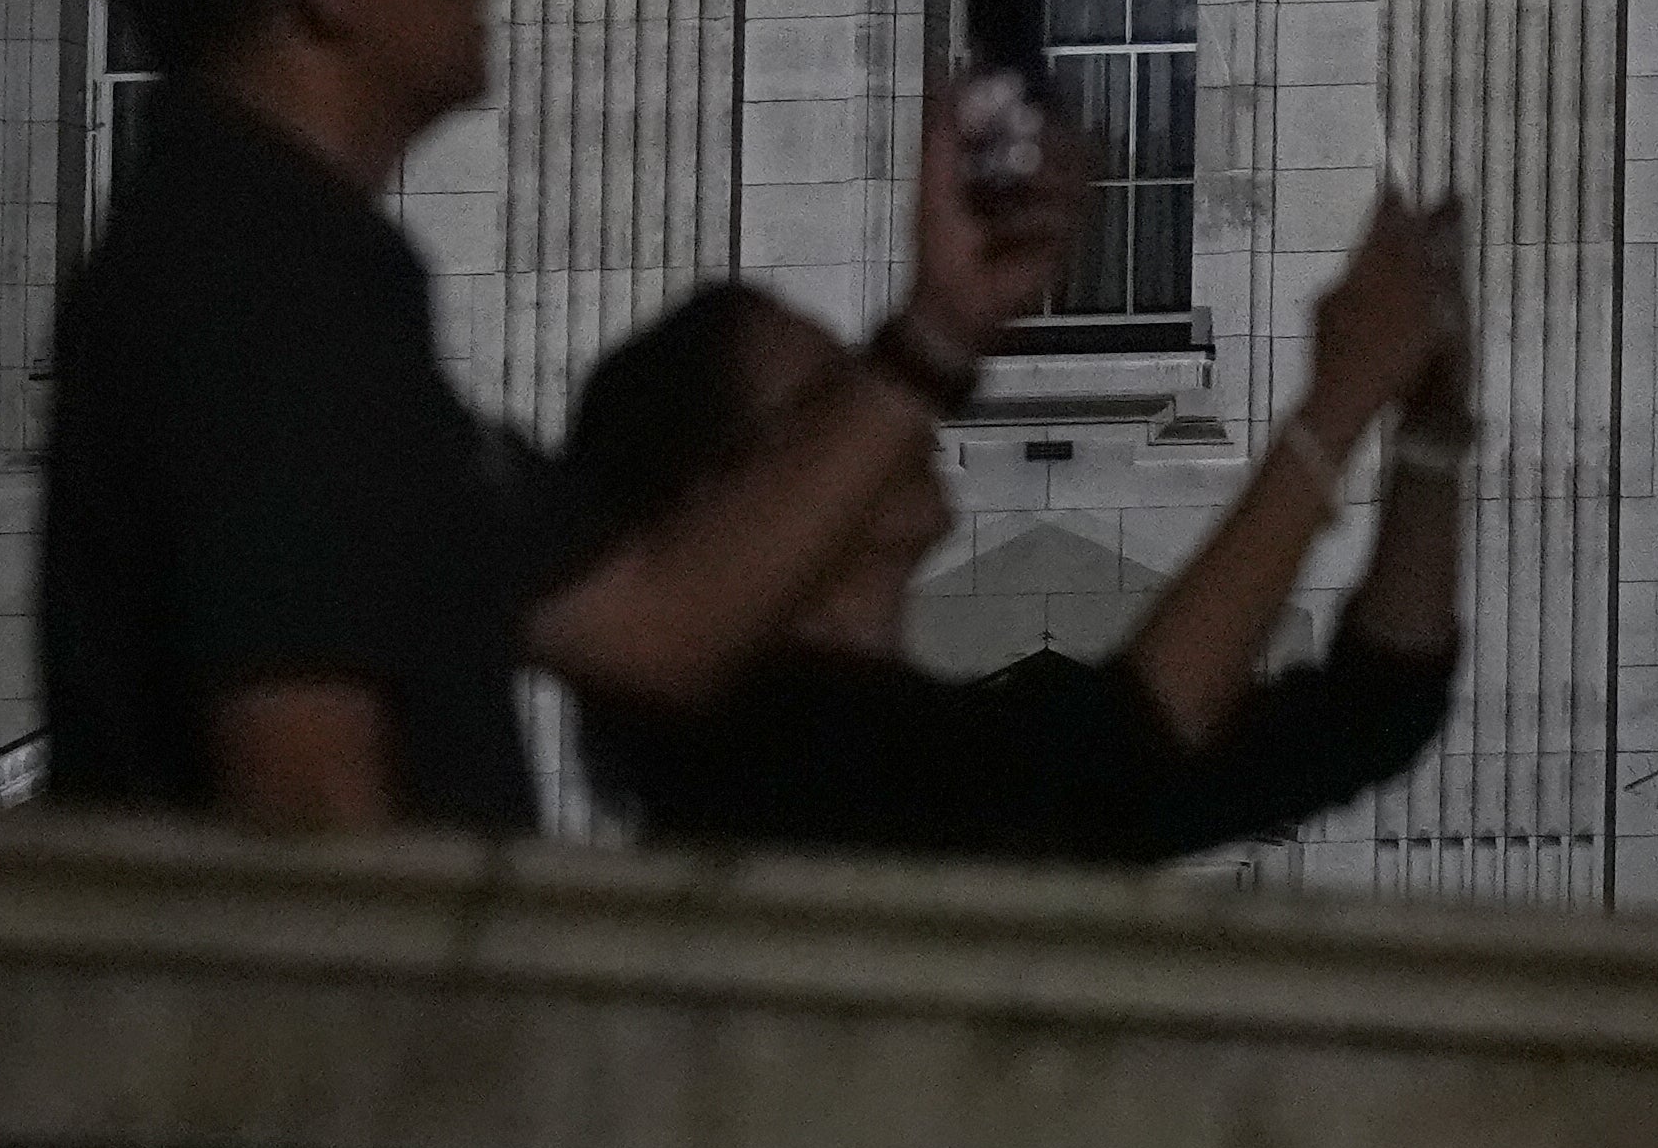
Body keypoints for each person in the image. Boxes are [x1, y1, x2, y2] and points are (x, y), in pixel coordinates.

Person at [39, 0, 1080, 835]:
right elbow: (307, 806)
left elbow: (657, 624)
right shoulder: (253, 291)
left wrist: (939, 327)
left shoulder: (300, 285)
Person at [562, 193, 1473, 863]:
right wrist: (1340, 400)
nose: (885, 421)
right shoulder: (747, 764)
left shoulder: (906, 745)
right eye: (826, 403)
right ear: (719, 501)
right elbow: (1120, 741)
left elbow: (1374, 710)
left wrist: (1429, 432)